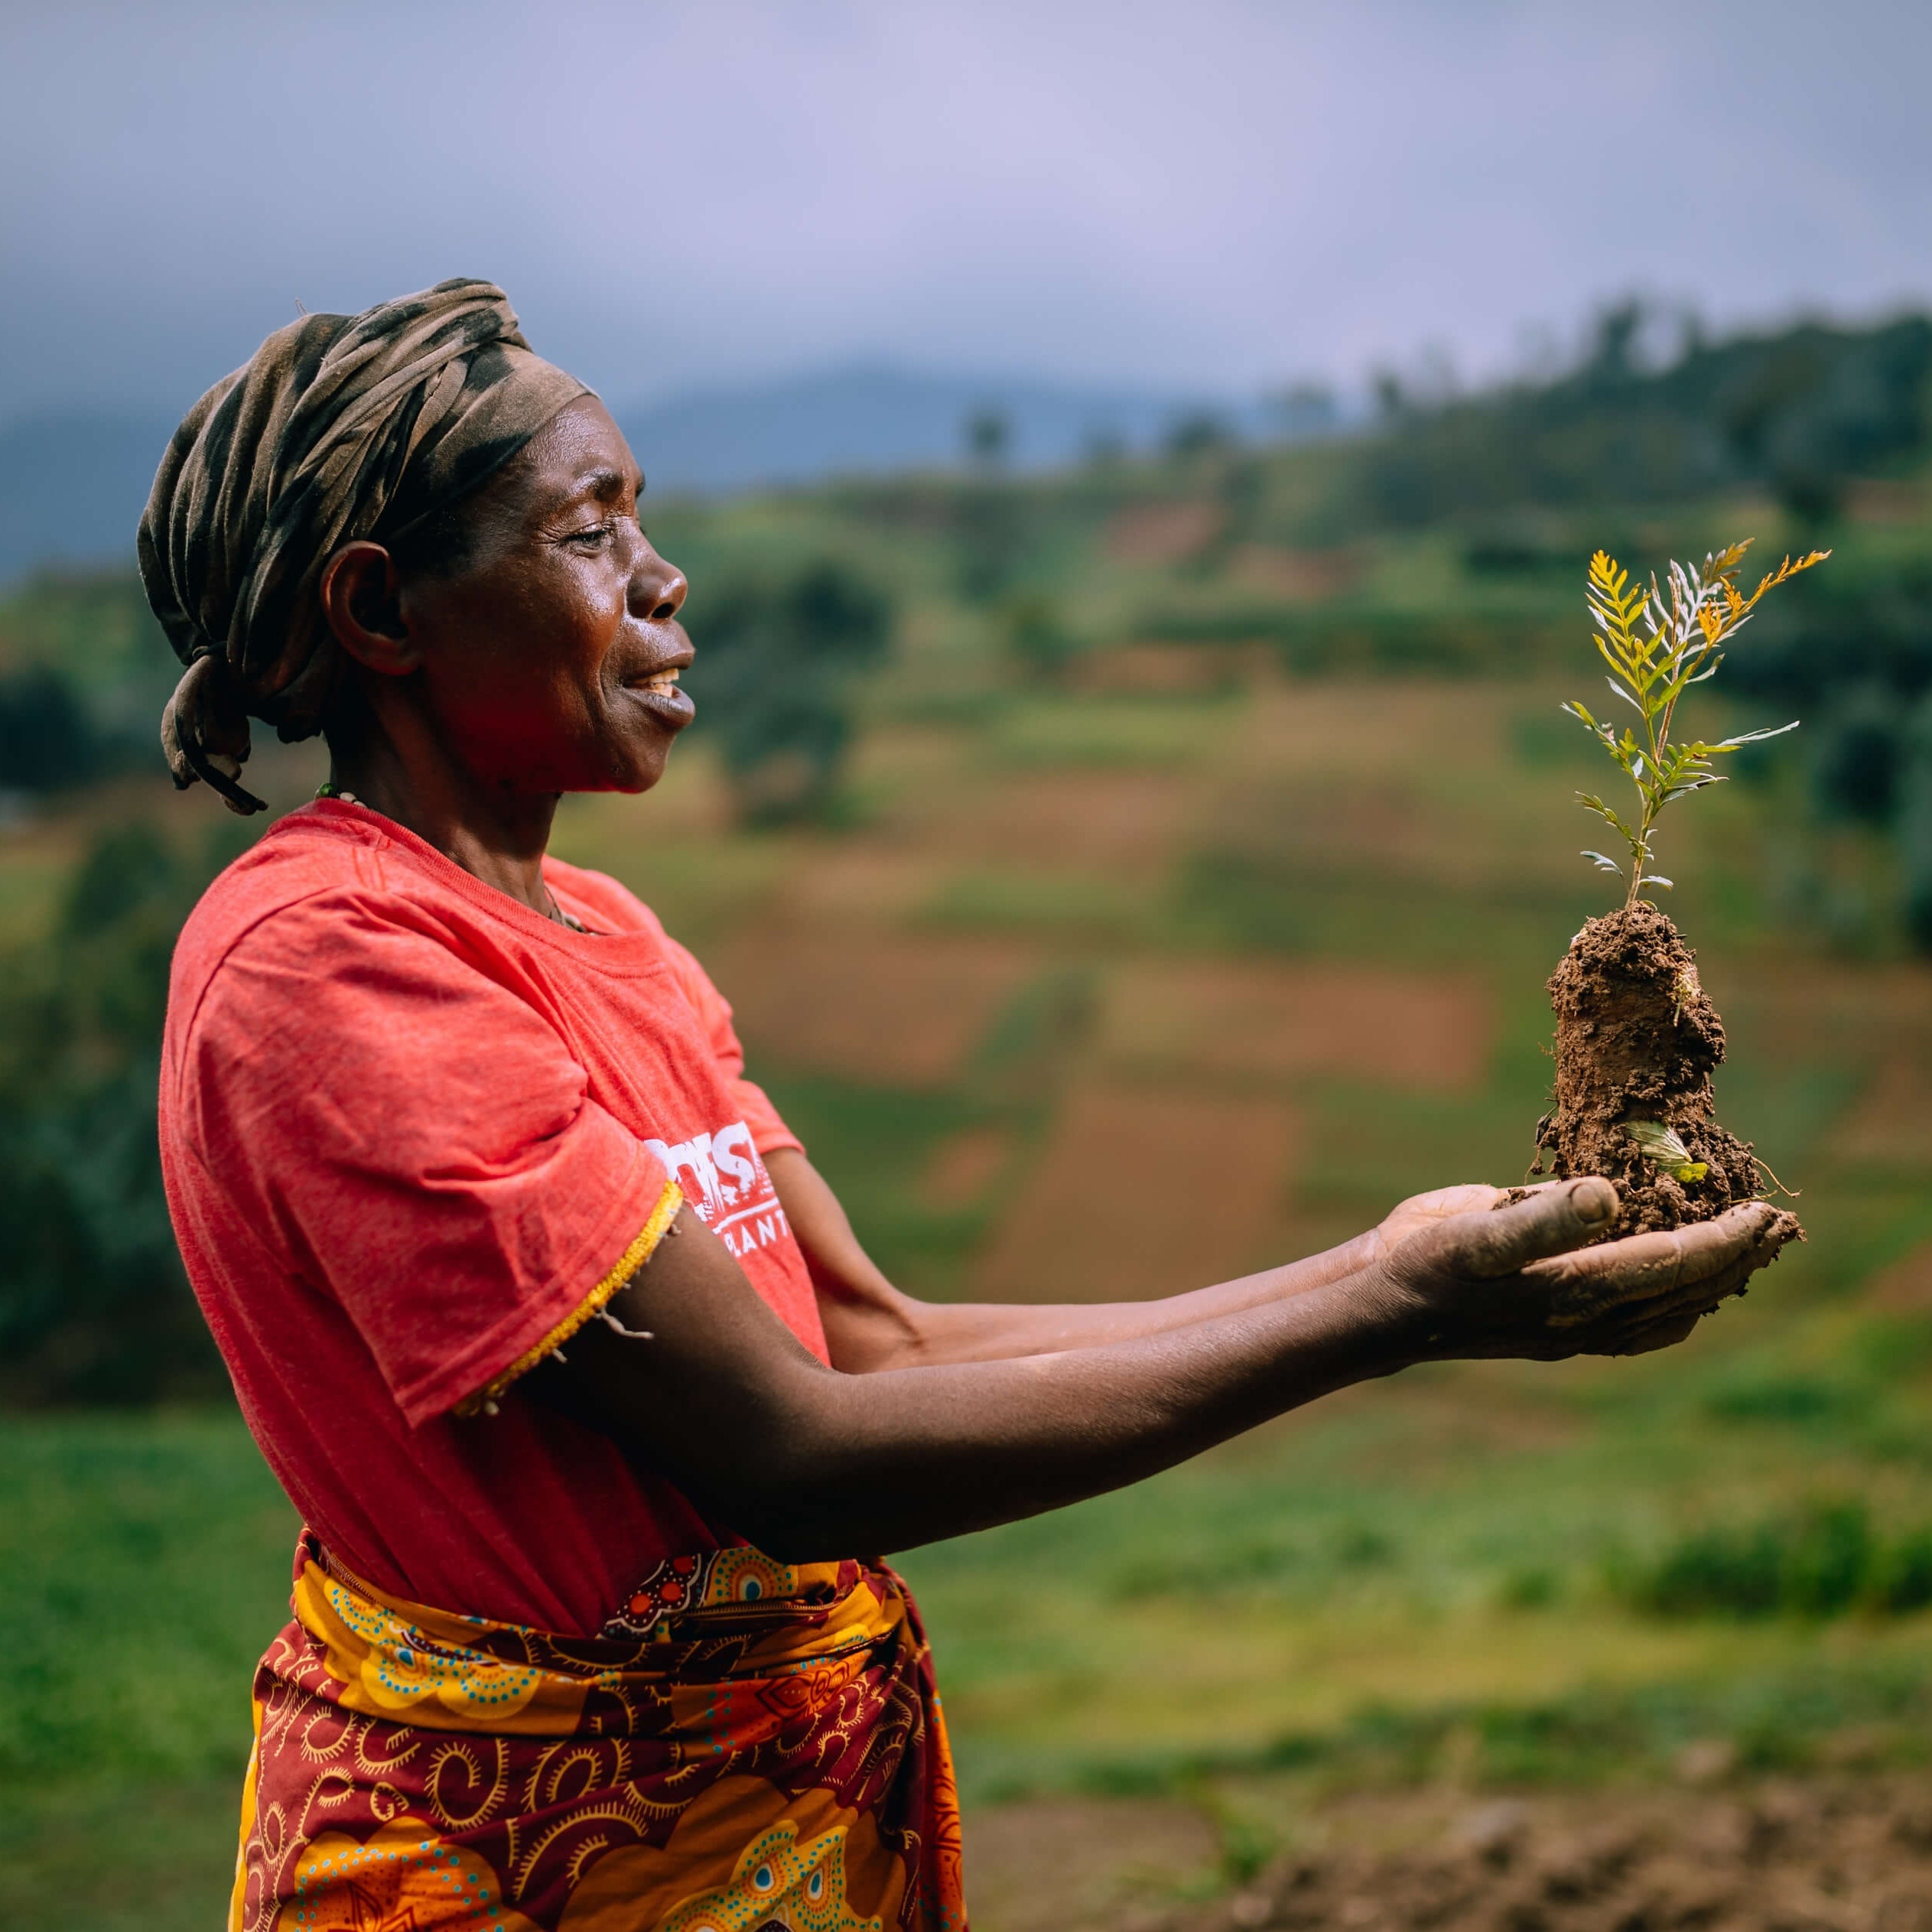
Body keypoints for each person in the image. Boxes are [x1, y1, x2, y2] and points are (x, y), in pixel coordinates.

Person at [143, 280, 1793, 1932]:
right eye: (589, 530)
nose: (662, 576)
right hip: (520, 1876)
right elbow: (794, 1459)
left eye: (642, 516)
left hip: (765, 1854)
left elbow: (871, 1342)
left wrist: (1394, 1268)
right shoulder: (331, 969)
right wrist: (1388, 1314)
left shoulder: (617, 942)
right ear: (382, 611)